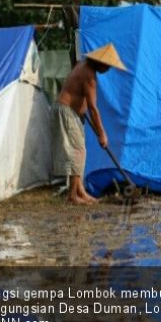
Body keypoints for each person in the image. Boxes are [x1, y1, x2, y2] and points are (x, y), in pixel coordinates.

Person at [51, 43, 127, 204]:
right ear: (100, 62)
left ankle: (81, 191)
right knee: (77, 151)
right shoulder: (89, 76)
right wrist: (102, 134)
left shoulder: (83, 66)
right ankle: (72, 196)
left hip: (72, 112)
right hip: (67, 111)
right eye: (108, 66)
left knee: (81, 150)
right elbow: (93, 108)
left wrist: (81, 111)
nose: (108, 69)